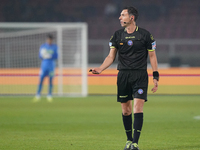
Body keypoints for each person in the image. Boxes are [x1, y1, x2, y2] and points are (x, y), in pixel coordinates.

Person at [90, 6, 159, 150]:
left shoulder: (146, 35)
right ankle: (128, 140)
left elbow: (152, 56)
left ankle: (135, 143)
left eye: (123, 15)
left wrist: (155, 75)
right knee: (126, 110)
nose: (120, 18)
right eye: (120, 15)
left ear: (131, 18)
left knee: (137, 107)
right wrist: (100, 68)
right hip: (123, 76)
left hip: (140, 75)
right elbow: (111, 56)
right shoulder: (117, 35)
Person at [33, 34, 58, 102]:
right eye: (48, 39)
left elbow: (56, 56)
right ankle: (38, 95)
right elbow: (40, 56)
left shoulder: (55, 47)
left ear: (52, 40)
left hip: (51, 66)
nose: (49, 41)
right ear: (47, 40)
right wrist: (44, 55)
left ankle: (49, 95)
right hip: (44, 65)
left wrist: (50, 56)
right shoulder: (43, 46)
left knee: (50, 80)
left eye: (50, 39)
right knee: (41, 80)